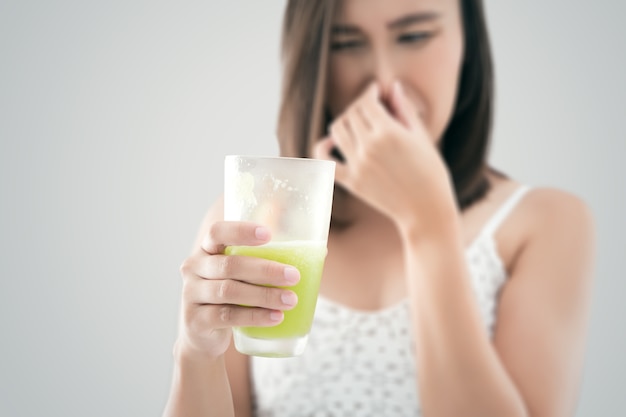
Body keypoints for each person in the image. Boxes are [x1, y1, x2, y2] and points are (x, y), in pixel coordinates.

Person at [164, 0, 594, 416]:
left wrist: (427, 223)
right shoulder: (252, 222)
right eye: (347, 43)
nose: (383, 83)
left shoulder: (544, 223)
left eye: (414, 35)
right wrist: (195, 355)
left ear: (469, 42)